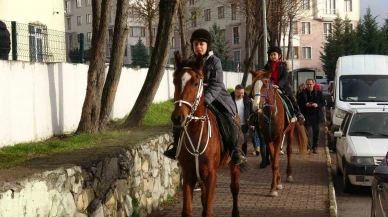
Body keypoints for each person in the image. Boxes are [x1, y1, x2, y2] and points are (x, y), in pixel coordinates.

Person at [164, 29, 247, 165]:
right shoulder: (189, 62)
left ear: (208, 46)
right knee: (179, 119)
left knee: (228, 119)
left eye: (201, 44)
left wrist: (205, 100)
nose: (198, 47)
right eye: (196, 44)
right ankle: (176, 148)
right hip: (195, 99)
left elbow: (217, 84)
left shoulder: (215, 62)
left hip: (216, 98)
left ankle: (235, 151)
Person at [264, 46, 304, 123]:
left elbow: (285, 77)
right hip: (270, 87)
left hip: (282, 87)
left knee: (291, 98)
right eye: (271, 55)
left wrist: (278, 85)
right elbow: (264, 75)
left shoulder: (283, 65)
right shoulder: (267, 66)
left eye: (274, 54)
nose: (272, 56)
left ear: (279, 56)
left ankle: (298, 113)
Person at [297, 79, 326, 154]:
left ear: (313, 84)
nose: (309, 86)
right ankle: (308, 148)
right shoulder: (302, 93)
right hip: (307, 115)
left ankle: (315, 147)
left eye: (310, 84)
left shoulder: (318, 93)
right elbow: (298, 103)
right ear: (306, 85)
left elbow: (323, 102)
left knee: (316, 132)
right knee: (308, 133)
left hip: (316, 115)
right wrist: (305, 104)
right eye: (308, 84)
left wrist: (317, 105)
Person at [231, 84, 255, 156]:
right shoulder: (230, 100)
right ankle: (235, 157)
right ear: (235, 92)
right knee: (234, 141)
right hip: (234, 124)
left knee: (244, 141)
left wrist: (251, 123)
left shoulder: (247, 100)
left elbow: (251, 113)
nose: (241, 95)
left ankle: (244, 156)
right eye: (239, 93)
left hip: (244, 124)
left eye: (242, 93)